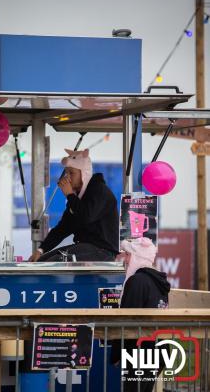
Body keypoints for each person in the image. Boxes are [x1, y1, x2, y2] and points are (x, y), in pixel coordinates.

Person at [29, 148, 119, 262]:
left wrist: (70, 195)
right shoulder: (76, 198)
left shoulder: (99, 190)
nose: (67, 177)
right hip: (84, 247)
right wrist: (40, 250)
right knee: (42, 261)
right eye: (66, 173)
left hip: (102, 250)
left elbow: (86, 216)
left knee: (54, 261)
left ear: (84, 174)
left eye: (71, 173)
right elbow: (62, 229)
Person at [110, 237, 171, 392]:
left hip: (140, 353)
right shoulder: (158, 282)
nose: (126, 260)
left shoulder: (137, 281)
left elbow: (127, 318)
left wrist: (116, 354)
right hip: (158, 351)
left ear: (138, 257)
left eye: (128, 255)